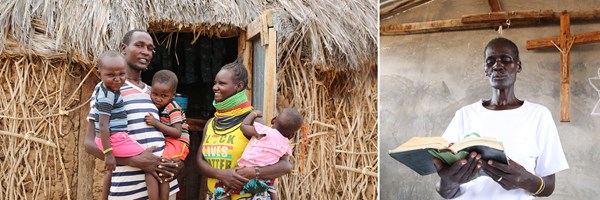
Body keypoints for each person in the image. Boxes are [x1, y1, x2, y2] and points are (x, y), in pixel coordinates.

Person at [433, 37, 569, 199]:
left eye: (506, 60)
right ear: (485, 69)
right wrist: (448, 182)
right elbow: (445, 191)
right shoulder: (465, 115)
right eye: (490, 62)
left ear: (518, 66)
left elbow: (548, 187)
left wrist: (523, 180)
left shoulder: (538, 115)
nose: (497, 66)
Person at [84, 29, 183, 200]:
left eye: (150, 48)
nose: (146, 51)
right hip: (128, 190)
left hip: (165, 186)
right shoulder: (108, 89)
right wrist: (136, 161)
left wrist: (176, 161)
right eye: (139, 45)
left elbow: (170, 133)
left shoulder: (155, 94)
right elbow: (90, 143)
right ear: (123, 48)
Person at [197, 61, 292, 200]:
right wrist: (221, 174)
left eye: (222, 83)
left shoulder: (254, 122)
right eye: (215, 83)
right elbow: (200, 162)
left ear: (239, 86)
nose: (215, 87)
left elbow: (285, 165)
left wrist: (253, 172)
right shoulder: (211, 124)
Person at [91, 50, 159, 199]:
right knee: (149, 160)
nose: (117, 79)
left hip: (118, 140)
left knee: (149, 160)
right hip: (116, 143)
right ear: (100, 73)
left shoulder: (152, 92)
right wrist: (109, 154)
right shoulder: (104, 94)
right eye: (110, 75)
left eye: (121, 74)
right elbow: (101, 127)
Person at [214, 108, 303, 200]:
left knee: (222, 183)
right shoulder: (285, 145)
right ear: (291, 135)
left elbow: (244, 126)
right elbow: (284, 164)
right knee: (271, 181)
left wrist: (253, 114)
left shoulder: (263, 131)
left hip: (246, 174)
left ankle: (224, 196)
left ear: (273, 120)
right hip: (264, 179)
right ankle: (272, 192)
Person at [144, 70, 191, 200]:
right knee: (160, 169)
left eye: (163, 96)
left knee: (161, 169)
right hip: (171, 142)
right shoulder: (161, 105)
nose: (158, 98)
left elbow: (177, 132)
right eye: (155, 94)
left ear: (173, 95)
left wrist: (156, 123)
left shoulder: (173, 107)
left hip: (178, 143)